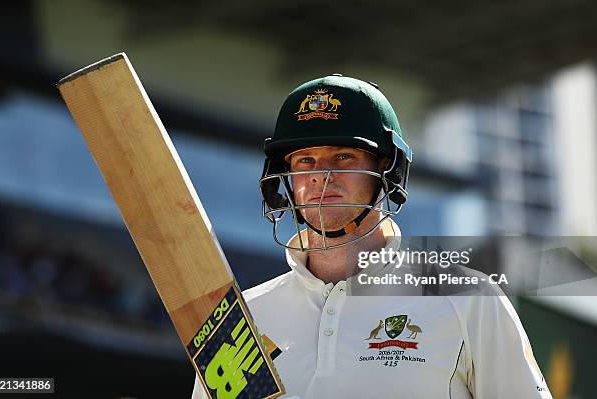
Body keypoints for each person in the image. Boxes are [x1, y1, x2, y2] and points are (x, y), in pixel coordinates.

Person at [192, 75, 552, 398]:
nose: (321, 175)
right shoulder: (244, 318)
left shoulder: (469, 301)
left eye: (345, 156)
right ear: (285, 176)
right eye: (305, 160)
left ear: (387, 169)